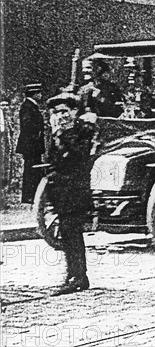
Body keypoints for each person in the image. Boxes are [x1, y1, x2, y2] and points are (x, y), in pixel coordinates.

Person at [46, 92, 96, 295]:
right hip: (62, 190)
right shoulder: (59, 132)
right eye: (57, 112)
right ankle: (73, 274)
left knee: (72, 233)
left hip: (76, 189)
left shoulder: (83, 130)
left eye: (64, 111)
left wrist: (63, 135)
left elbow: (79, 156)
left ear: (74, 111)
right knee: (68, 234)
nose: (61, 116)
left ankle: (78, 277)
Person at [16, 83, 45, 205]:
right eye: (39, 93)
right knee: (31, 169)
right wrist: (36, 135)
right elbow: (28, 125)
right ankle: (29, 196)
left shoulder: (31, 106)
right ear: (35, 94)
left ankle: (33, 195)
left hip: (33, 144)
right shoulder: (28, 107)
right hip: (31, 145)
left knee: (34, 169)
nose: (41, 95)